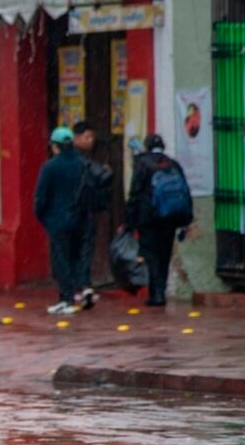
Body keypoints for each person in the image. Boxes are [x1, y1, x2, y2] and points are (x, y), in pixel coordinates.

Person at [125, 133, 193, 307]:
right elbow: (185, 192)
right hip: (170, 216)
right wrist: (187, 219)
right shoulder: (172, 164)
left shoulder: (142, 163)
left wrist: (130, 221)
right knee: (164, 253)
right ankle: (160, 289)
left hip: (148, 217)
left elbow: (135, 193)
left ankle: (156, 294)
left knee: (151, 254)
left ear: (147, 146)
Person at [34, 127, 87, 315]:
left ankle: (66, 298)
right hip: (80, 218)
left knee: (61, 259)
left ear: (55, 146)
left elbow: (40, 197)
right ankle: (80, 291)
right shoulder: (82, 164)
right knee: (76, 257)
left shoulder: (50, 167)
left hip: (57, 220)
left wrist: (43, 217)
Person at [72, 121, 114, 310]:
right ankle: (79, 285)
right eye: (87, 137)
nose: (90, 141)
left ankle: (81, 284)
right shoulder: (78, 160)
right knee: (80, 248)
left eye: (92, 138)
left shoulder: (84, 159)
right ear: (76, 138)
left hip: (84, 210)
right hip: (79, 211)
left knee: (84, 247)